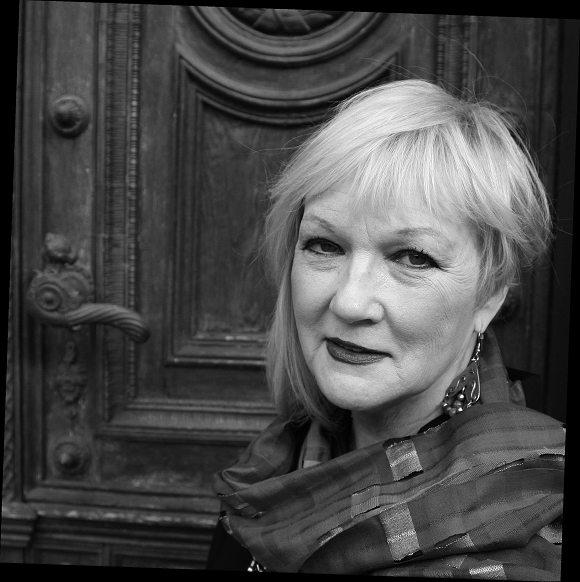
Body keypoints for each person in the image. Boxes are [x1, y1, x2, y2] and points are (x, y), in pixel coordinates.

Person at [207, 79, 564, 578]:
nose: (350, 302)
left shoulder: (538, 520)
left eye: (412, 257)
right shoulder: (270, 474)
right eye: (324, 246)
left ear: (489, 295)